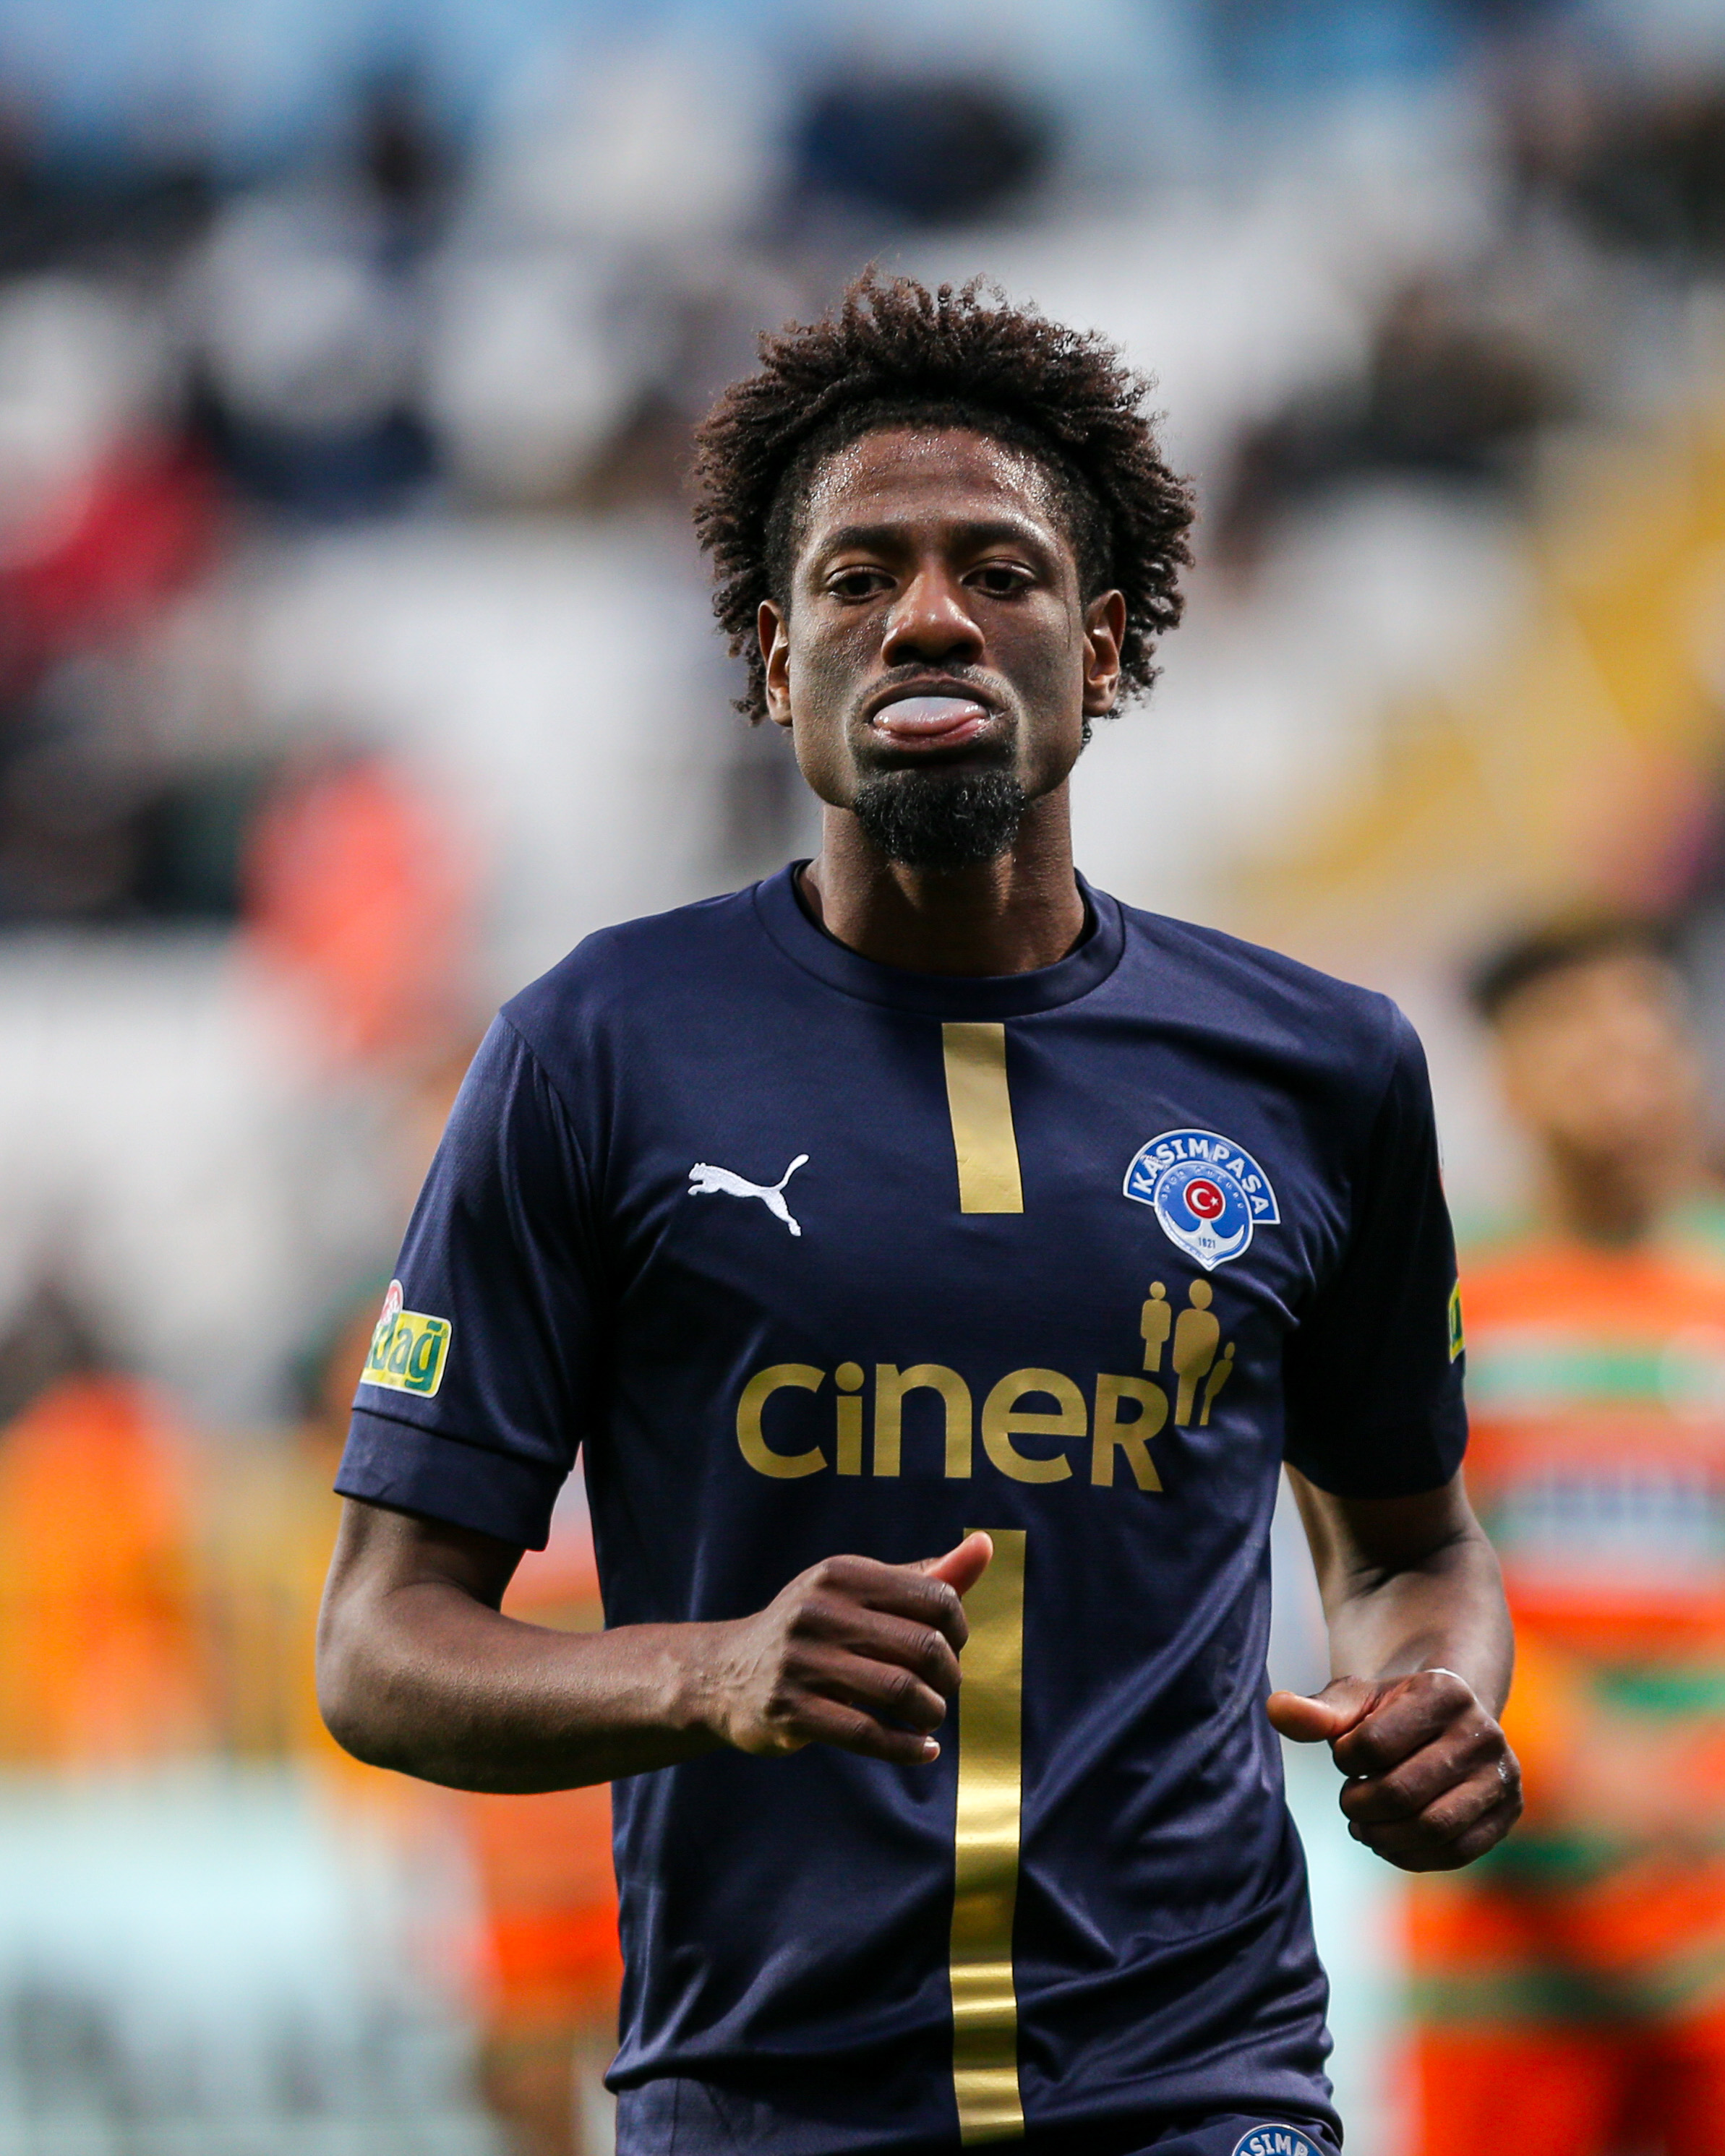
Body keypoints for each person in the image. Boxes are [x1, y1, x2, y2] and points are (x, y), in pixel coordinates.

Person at [317, 273, 1519, 2156]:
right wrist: (709, 1672)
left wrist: (1433, 1692)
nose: (930, 615)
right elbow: (381, 1645)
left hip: (1205, 2087)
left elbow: (1412, 1544)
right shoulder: (596, 1048)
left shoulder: (1324, 1068)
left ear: (1102, 647)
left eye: (1000, 570)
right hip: (759, 2104)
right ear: (771, 661)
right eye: (858, 577)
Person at [1411, 918, 1725, 2156]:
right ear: (1502, 1070)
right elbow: (1384, 1573)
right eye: (1573, 1024)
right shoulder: (1432, 1299)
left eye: (1642, 1017)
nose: (1617, 1052)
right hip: (1506, 1929)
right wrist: (1564, 1748)